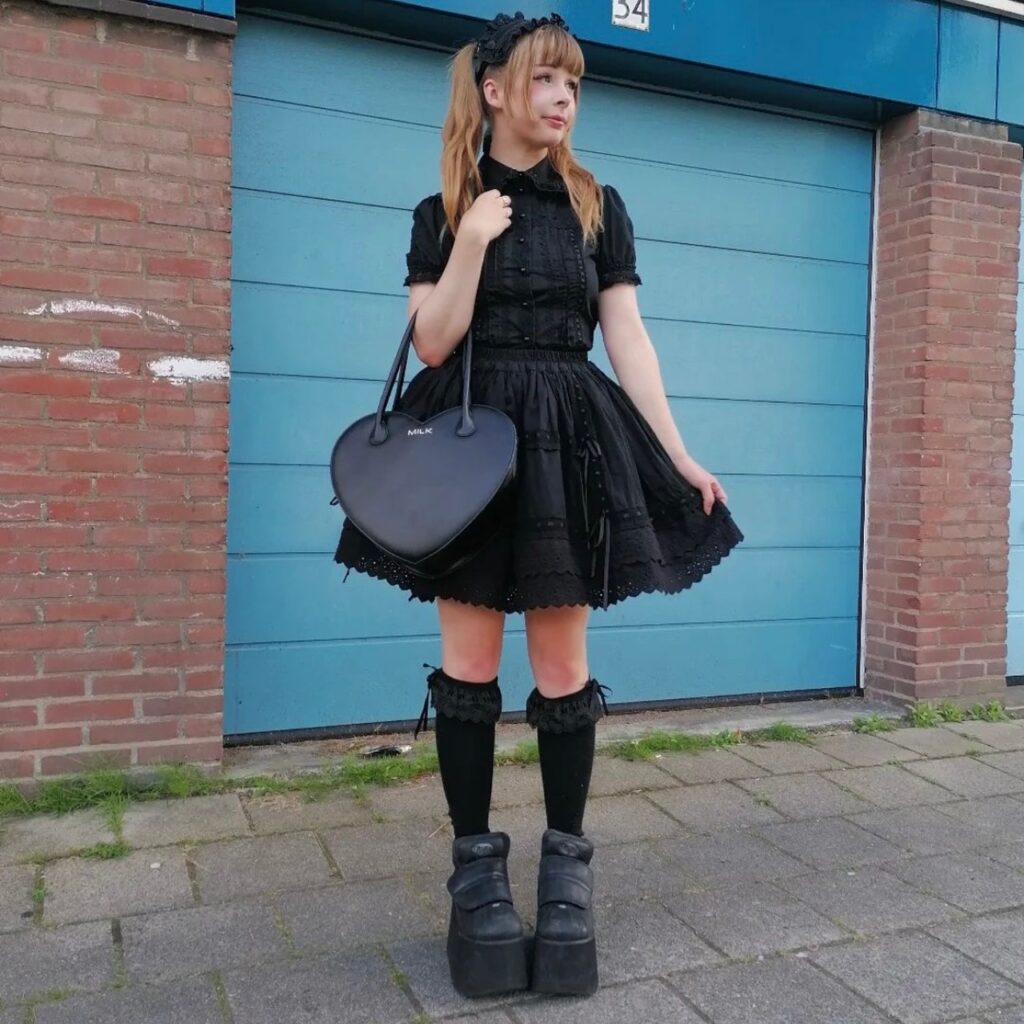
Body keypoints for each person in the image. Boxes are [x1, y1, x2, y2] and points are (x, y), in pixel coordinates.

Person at [335, 9, 744, 999]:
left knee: (563, 664)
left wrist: (677, 450)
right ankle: (477, 881)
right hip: (469, 449)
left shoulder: (598, 206)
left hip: (565, 442)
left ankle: (565, 879)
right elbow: (430, 343)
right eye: (547, 79)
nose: (564, 97)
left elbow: (628, 340)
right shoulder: (442, 209)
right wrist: (472, 238)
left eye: (574, 83)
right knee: (471, 664)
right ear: (493, 90)